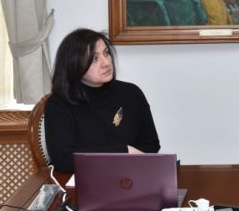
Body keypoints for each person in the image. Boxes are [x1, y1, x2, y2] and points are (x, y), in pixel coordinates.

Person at [44, 28, 160, 173]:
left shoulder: (131, 93)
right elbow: (64, 160)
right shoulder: (58, 104)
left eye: (106, 53)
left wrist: (125, 165)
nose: (106, 63)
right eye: (94, 59)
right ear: (74, 64)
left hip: (130, 177)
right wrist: (123, 151)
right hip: (83, 182)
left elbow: (151, 145)